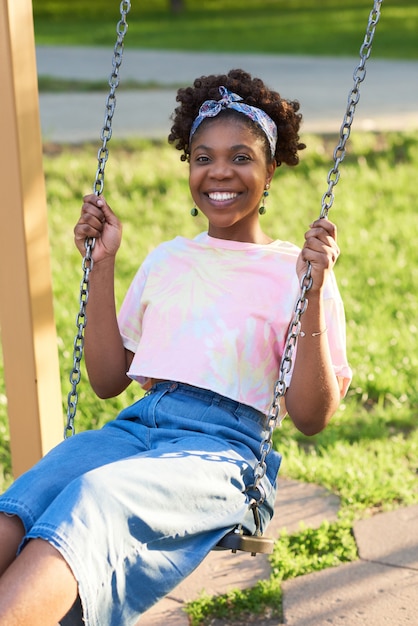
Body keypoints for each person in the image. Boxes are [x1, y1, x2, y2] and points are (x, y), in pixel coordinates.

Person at [0, 69, 351, 626]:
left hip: (224, 449)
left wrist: (313, 292)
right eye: (203, 156)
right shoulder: (168, 260)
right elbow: (109, 380)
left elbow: (312, 416)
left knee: (95, 502)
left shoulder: (299, 270)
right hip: (136, 428)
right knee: (21, 507)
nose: (220, 172)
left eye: (241, 157)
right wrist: (103, 264)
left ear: (272, 168)